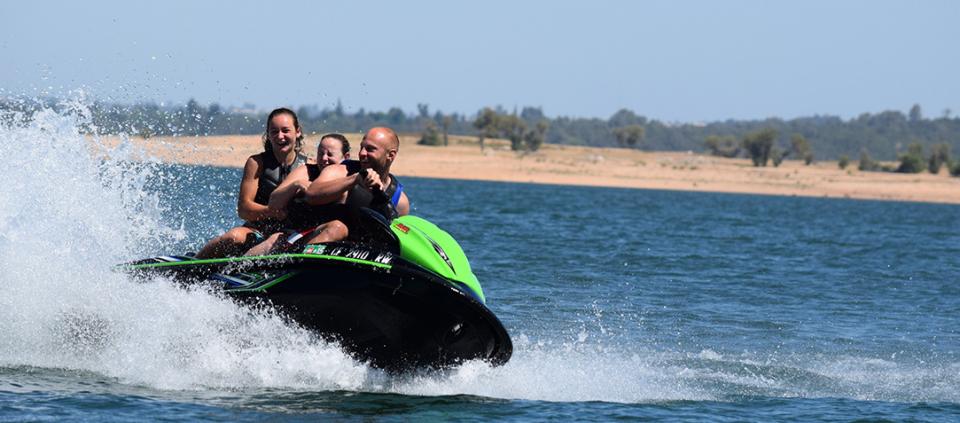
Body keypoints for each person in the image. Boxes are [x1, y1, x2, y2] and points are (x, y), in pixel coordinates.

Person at [194, 107, 308, 259]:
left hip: (293, 235)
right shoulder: (256, 163)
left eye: (285, 130)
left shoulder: (309, 166)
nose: (280, 136)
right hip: (258, 231)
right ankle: (194, 263)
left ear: (297, 131)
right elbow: (243, 209)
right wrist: (272, 211)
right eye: (274, 131)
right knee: (233, 237)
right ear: (268, 134)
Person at [242, 133, 352, 255]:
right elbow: (273, 202)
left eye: (330, 154)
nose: (324, 158)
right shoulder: (306, 170)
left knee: (337, 228)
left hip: (332, 239)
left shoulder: (352, 176)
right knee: (275, 239)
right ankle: (237, 268)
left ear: (346, 157)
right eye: (321, 153)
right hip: (296, 234)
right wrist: (295, 184)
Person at [300, 126, 410, 245]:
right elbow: (311, 195)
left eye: (370, 149)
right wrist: (354, 179)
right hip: (310, 239)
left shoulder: (400, 202)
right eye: (362, 147)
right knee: (338, 228)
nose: (362, 153)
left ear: (391, 155)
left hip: (356, 255)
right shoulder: (340, 172)